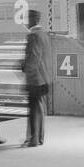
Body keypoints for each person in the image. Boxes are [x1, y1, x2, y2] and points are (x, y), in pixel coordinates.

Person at [22, 10, 50, 147]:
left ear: (34, 19)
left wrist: (25, 69)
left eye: (28, 18)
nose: (27, 21)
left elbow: (34, 57)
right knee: (39, 108)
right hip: (44, 78)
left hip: (35, 79)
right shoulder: (44, 35)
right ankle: (39, 138)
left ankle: (33, 139)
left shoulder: (33, 36)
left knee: (34, 109)